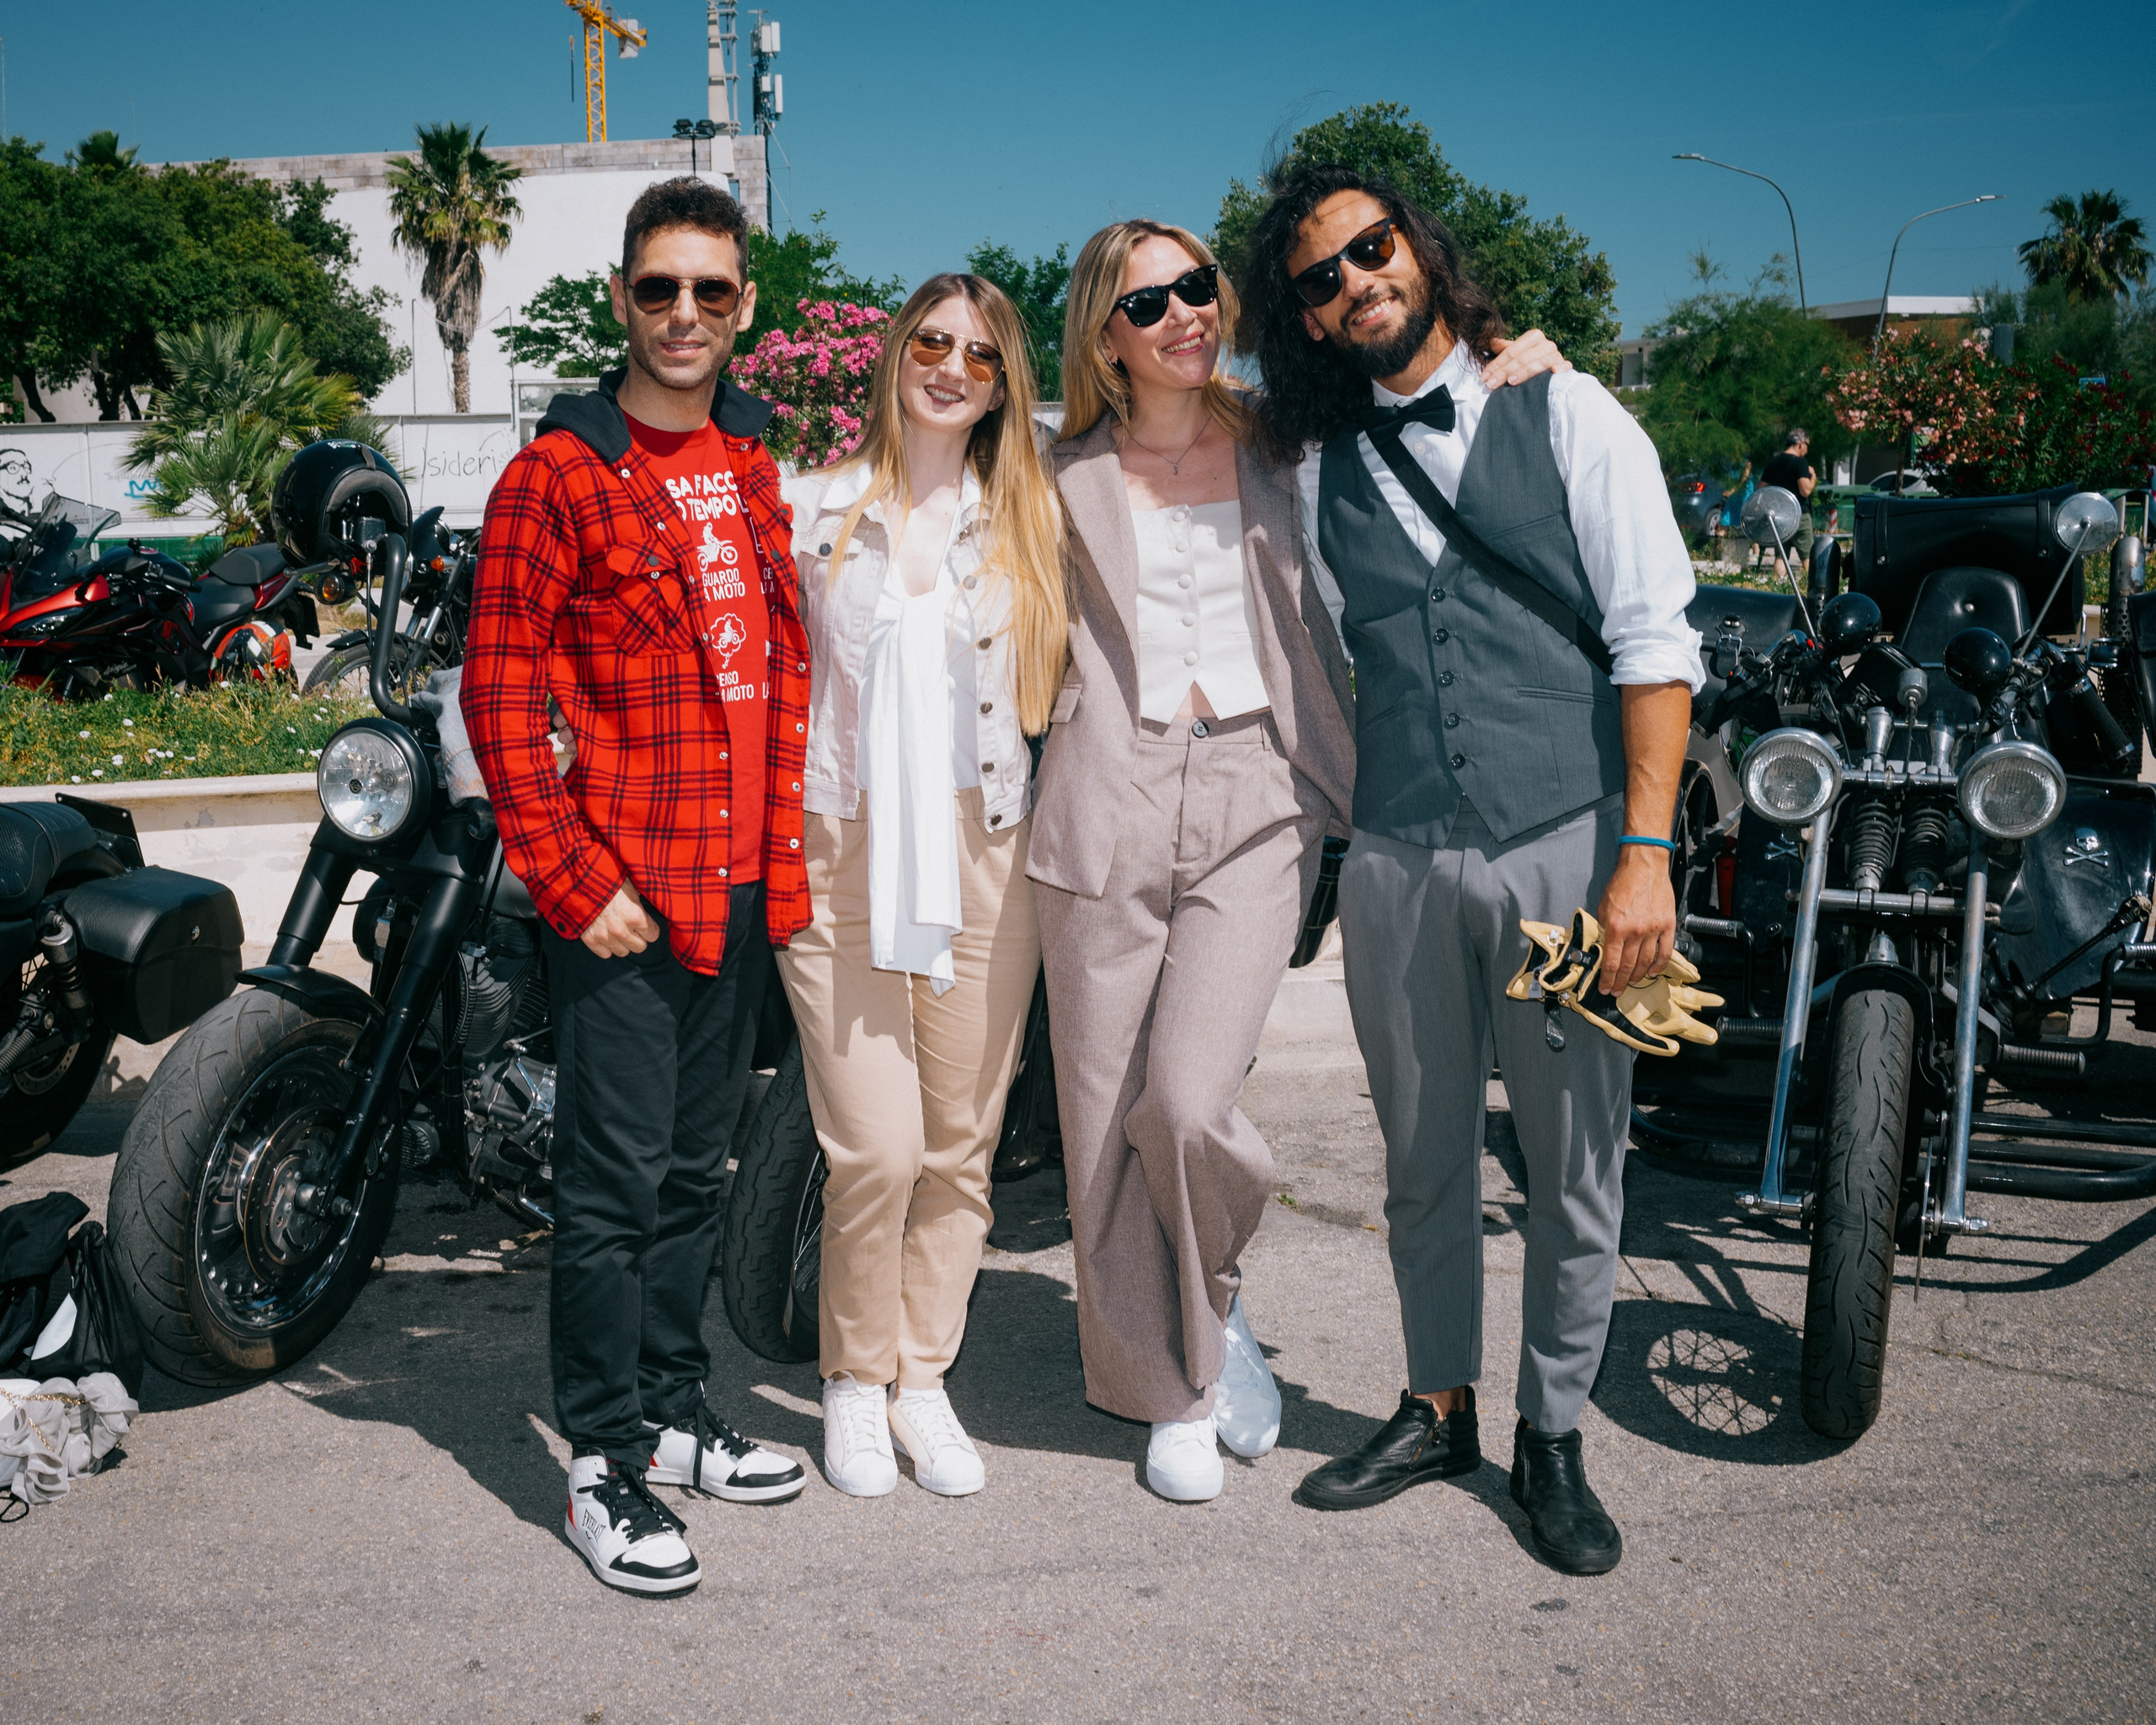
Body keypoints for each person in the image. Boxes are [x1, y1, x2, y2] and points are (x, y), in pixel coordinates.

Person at [1029, 217, 1566, 1503]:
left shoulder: (1287, 437)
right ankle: (1172, 1387)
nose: (1184, 316)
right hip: (1107, 787)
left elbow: (1419, 383)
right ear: (1106, 334)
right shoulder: (1054, 474)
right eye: (1149, 302)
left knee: (1191, 1099)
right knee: (1103, 1126)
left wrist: (1510, 351)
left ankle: (1210, 1299)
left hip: (1260, 787)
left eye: (1200, 288)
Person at [1236, 163, 1703, 1575]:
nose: (1353, 279)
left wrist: (1644, 856)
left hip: (1570, 849)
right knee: (1422, 1155)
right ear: (1308, 320)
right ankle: (1437, 1405)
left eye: (1369, 248)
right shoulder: (1314, 468)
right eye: (1319, 276)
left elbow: (1656, 638)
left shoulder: (1569, 411)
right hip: (1395, 859)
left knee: (1571, 1159)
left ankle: (1549, 1432)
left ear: (1420, 252)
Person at [466, 177, 808, 1599]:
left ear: (743, 309)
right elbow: (496, 696)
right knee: (607, 1191)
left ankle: (672, 1406)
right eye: (658, 289)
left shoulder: (750, 467)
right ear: (620, 300)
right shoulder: (555, 477)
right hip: (623, 896)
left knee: (689, 1174)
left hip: (737, 885)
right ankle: (600, 1458)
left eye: (711, 292)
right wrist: (568, 875)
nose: (683, 314)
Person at [777, 274, 1067, 1499]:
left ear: (1006, 383)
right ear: (895, 356)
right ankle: (852, 1383)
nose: (952, 368)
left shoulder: (1035, 521)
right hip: (839, 841)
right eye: (932, 343)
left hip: (984, 842)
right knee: (877, 1149)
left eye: (981, 355)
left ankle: (924, 1384)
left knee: (961, 1145)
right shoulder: (814, 510)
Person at [1761, 429, 1816, 574]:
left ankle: (1778, 588)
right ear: (1801, 444)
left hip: (1779, 515)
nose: (1807, 450)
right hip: (1800, 515)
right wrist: (1813, 477)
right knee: (1807, 556)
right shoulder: (1800, 462)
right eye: (1807, 445)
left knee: (1780, 556)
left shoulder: (1773, 462)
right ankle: (1808, 588)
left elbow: (1761, 489)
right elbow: (1805, 490)